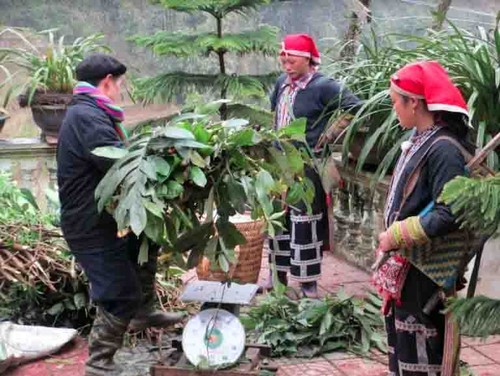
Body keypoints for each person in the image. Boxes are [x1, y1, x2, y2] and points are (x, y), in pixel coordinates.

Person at [57, 53, 183, 376]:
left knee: (145, 236)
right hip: (89, 224)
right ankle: (99, 364)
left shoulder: (91, 112)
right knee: (119, 293)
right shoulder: (88, 117)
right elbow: (119, 164)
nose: (120, 92)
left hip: (104, 218)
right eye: (120, 86)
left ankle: (144, 309)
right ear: (107, 82)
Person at [372, 61, 476, 375]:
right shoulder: (422, 139)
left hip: (425, 270)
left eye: (395, 102)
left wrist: (398, 234)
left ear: (414, 102)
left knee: (421, 354)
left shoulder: (443, 149)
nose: (394, 110)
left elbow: (450, 212)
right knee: (406, 350)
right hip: (408, 267)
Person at [266, 34, 361, 298]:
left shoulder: (324, 86)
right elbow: (273, 114)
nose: (286, 66)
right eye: (283, 60)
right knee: (276, 220)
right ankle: (277, 277)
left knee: (305, 220)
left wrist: (329, 133)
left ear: (308, 59)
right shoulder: (281, 84)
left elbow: (354, 107)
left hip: (307, 164)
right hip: (277, 162)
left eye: (292, 61)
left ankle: (308, 282)